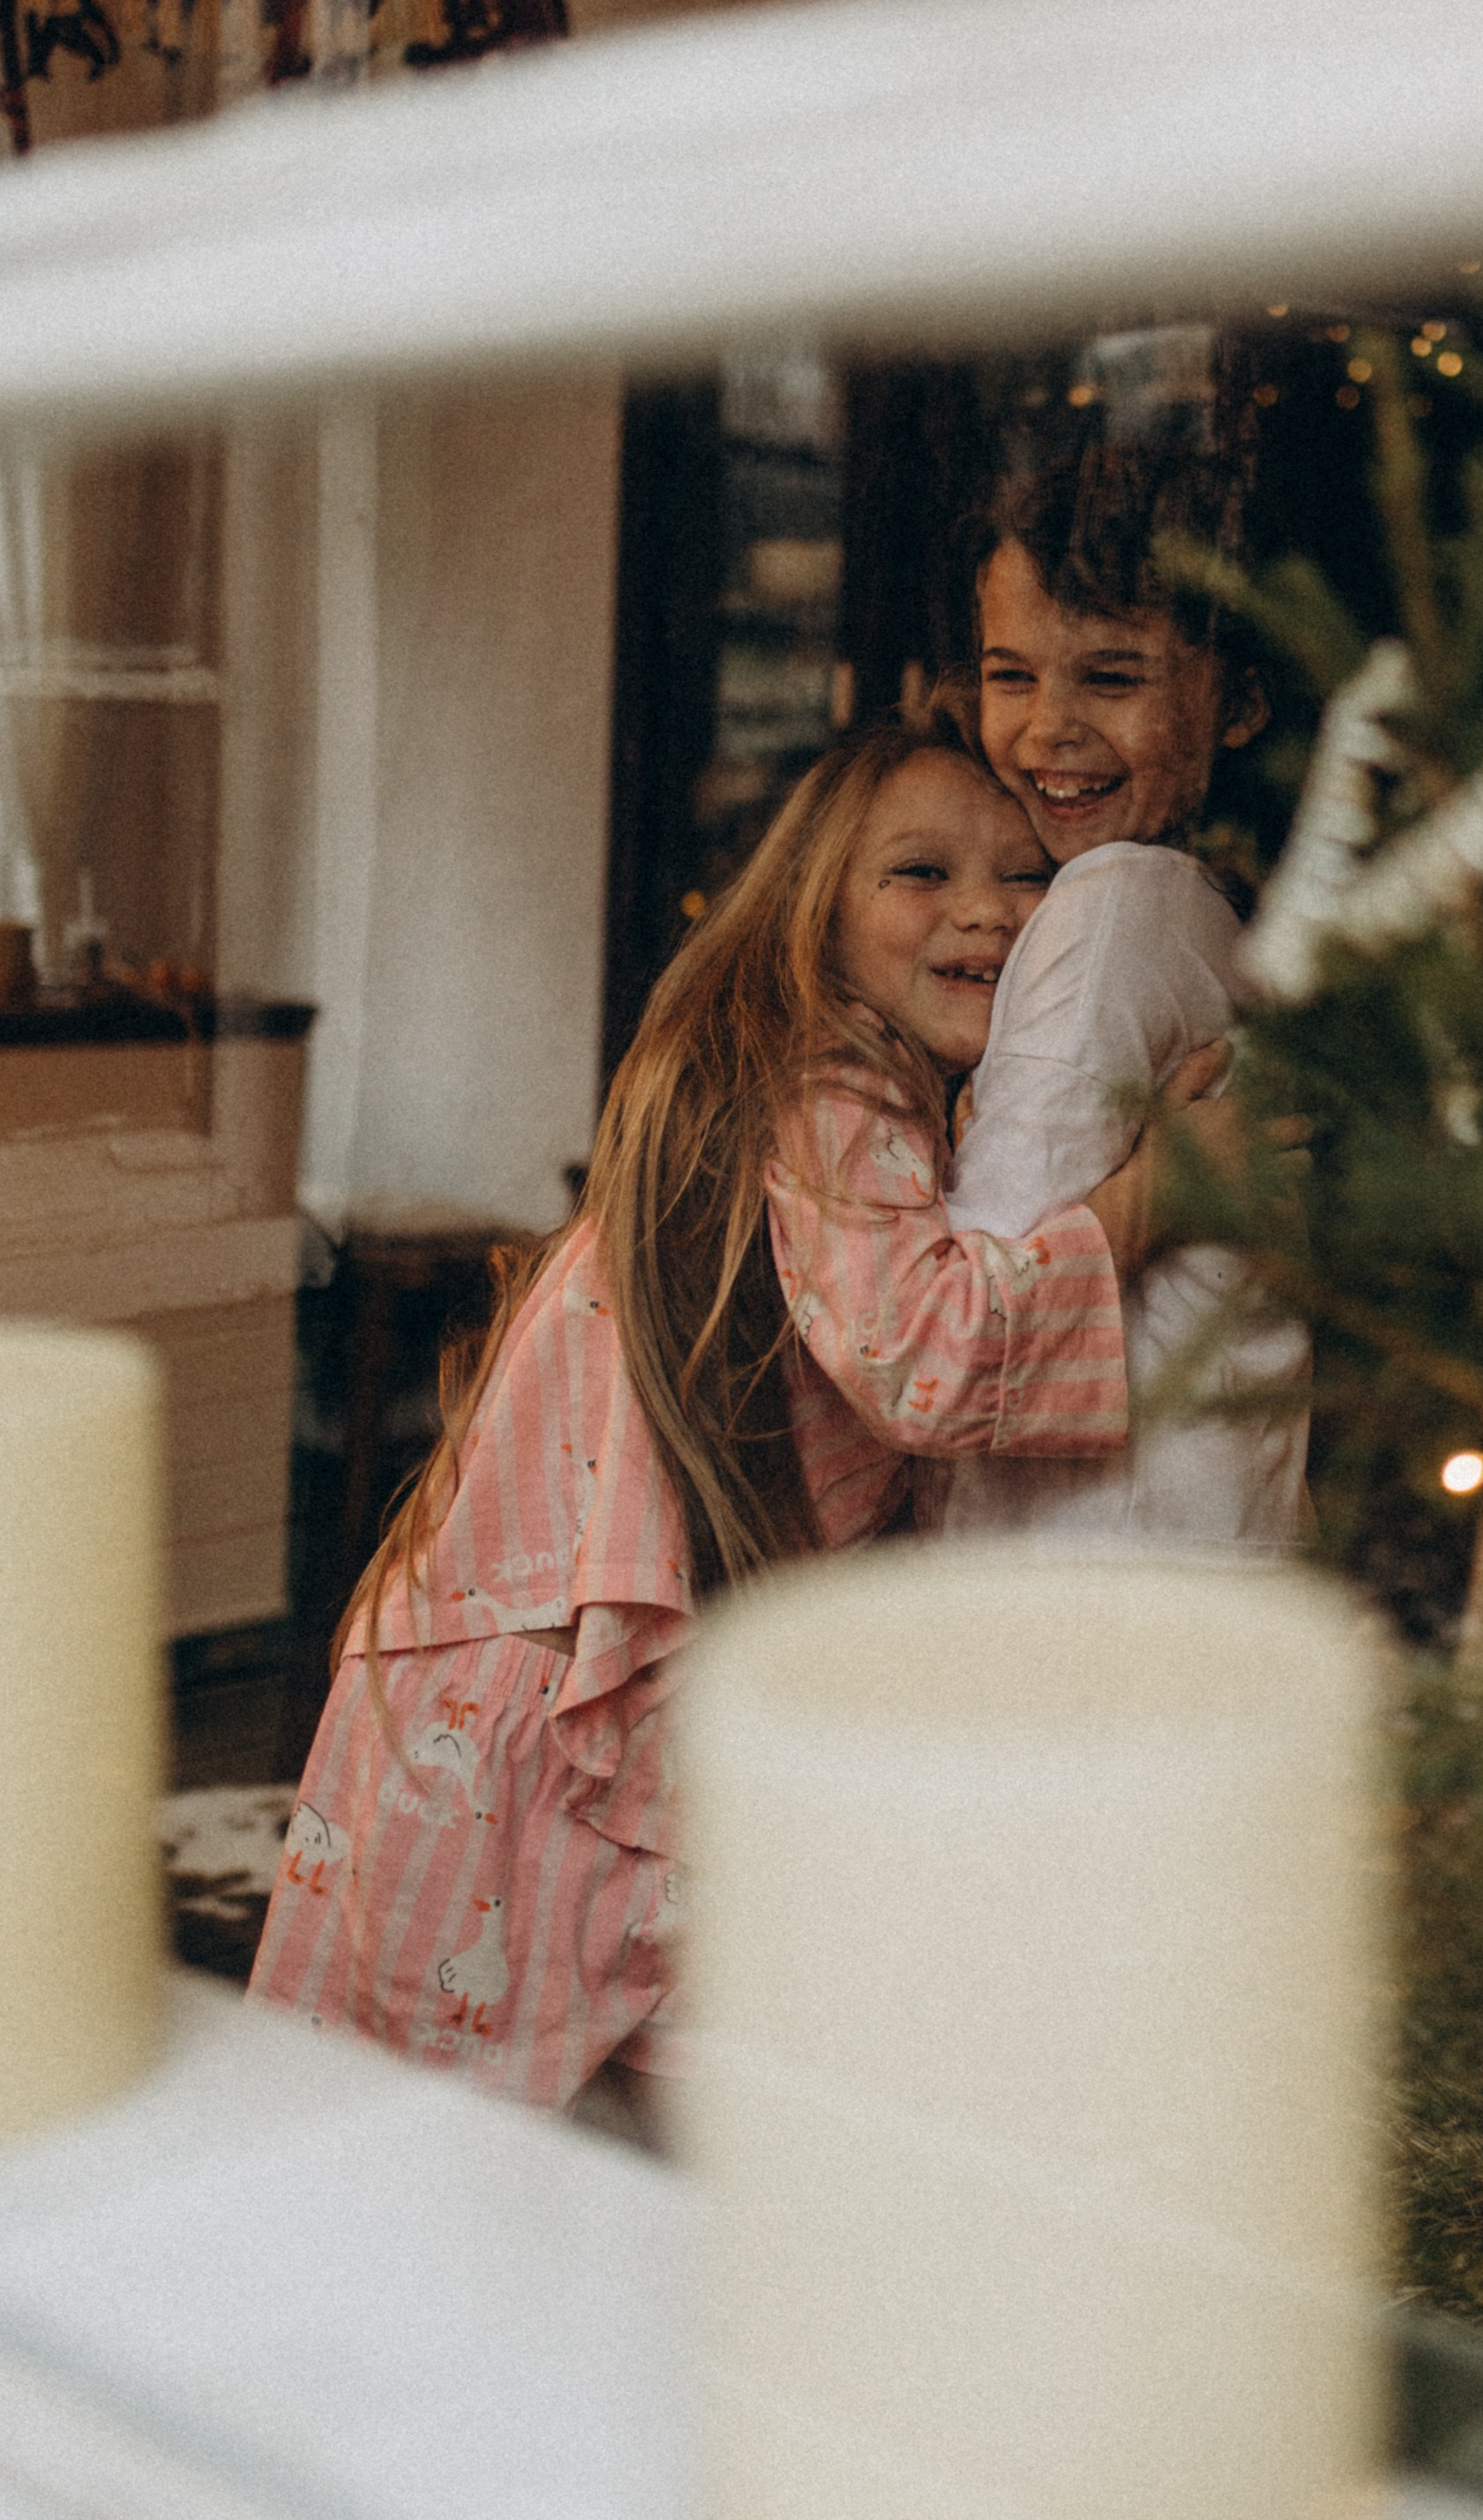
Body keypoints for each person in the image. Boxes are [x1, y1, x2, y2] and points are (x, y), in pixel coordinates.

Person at [249, 718, 1212, 2114]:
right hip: (543, 1695)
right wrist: (1153, 1191)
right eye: (921, 874)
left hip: (536, 1675)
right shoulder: (832, 1090)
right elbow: (923, 1353)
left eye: (1024, 879)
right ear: (815, 913)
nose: (988, 913)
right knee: (443, 2127)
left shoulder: (803, 1089)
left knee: (461, 2110)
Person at [941, 455, 1313, 1550]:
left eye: (1110, 678)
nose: (1049, 728)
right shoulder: (1214, 918)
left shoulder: (1113, 904)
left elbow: (974, 1323)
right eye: (1011, 676)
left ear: (1240, 701)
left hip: (1085, 1581)